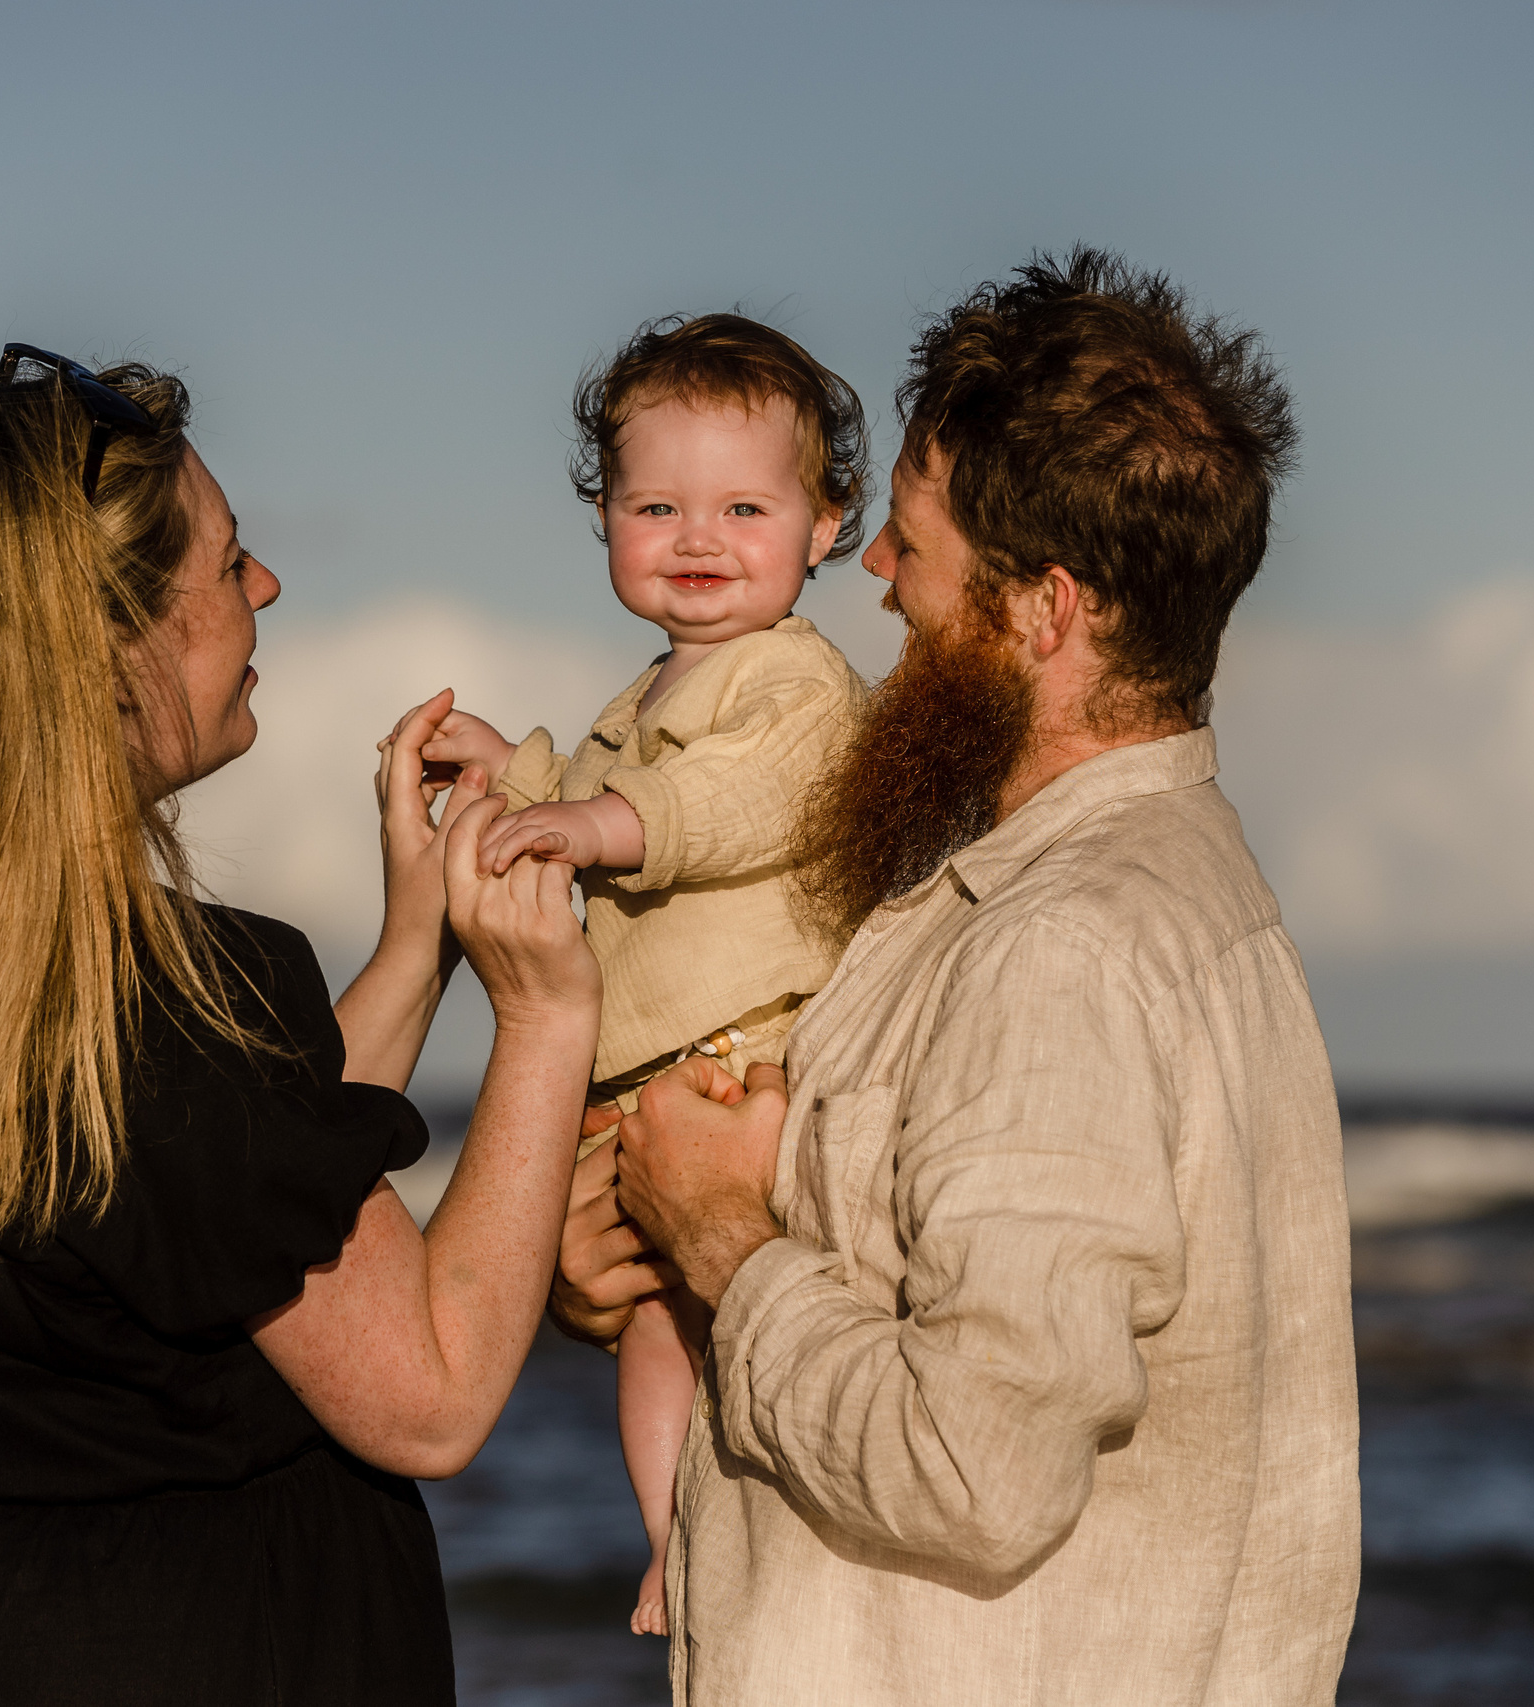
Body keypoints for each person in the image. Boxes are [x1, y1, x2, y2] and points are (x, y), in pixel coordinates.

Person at [0, 347, 599, 1706]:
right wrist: (547, 1015)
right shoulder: (170, 1004)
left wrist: (420, 942)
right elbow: (427, 1393)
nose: (264, 589)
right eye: (230, 563)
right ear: (109, 647)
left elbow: (218, 1194)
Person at [554, 250, 1363, 1705]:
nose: (868, 575)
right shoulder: (1153, 895)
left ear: (1046, 612)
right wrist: (647, 1237)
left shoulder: (1059, 951)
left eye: (909, 549)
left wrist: (733, 1247)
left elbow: (973, 1468)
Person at [419, 313, 869, 1635]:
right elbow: (618, 795)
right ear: (605, 515)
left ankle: (778, 1536)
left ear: (826, 526)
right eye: (655, 504)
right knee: (657, 1327)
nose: (697, 539)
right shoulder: (648, 695)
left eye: (743, 507)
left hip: (750, 1065)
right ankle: (675, 1541)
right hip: (645, 1084)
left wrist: (585, 825)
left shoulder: (795, 684)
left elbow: (719, 809)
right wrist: (522, 780)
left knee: (741, 1312)